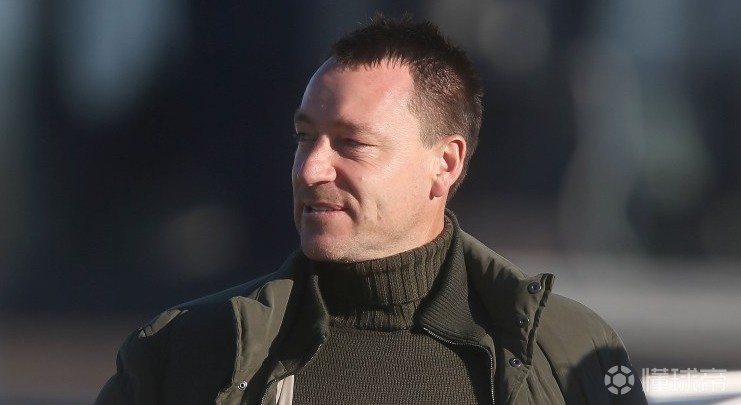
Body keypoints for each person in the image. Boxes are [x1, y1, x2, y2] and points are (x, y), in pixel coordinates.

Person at [96, 14, 647, 405]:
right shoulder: (184, 354)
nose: (311, 169)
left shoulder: (573, 352)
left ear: (445, 163)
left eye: (352, 144)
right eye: (304, 137)